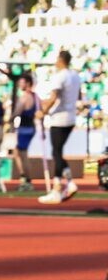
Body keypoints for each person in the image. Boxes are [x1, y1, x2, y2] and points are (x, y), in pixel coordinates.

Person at [38, 50, 82, 204]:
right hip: (71, 117)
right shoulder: (75, 76)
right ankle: (66, 184)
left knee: (56, 152)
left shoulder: (60, 76)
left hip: (59, 118)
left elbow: (54, 97)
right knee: (57, 152)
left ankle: (59, 187)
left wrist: (43, 111)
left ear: (61, 60)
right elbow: (77, 96)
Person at [10, 73, 39, 191]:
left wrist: (10, 120)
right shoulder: (36, 97)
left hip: (25, 128)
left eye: (21, 82)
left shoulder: (25, 97)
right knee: (17, 152)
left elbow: (17, 111)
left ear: (27, 83)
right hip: (31, 127)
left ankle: (26, 179)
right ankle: (25, 177)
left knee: (23, 154)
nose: (19, 84)